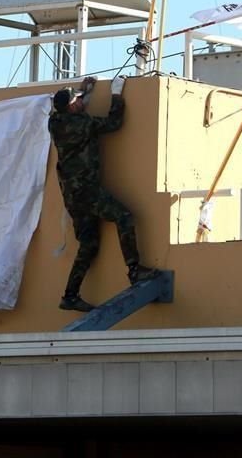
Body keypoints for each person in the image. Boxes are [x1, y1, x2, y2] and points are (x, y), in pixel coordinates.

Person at [48, 76, 158, 312]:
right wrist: (116, 94)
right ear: (71, 107)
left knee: (88, 245)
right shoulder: (82, 125)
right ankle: (135, 270)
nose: (81, 102)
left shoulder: (55, 122)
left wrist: (84, 90)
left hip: (72, 197)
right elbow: (113, 123)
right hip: (87, 191)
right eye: (77, 100)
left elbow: (71, 106)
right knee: (124, 216)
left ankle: (70, 295)